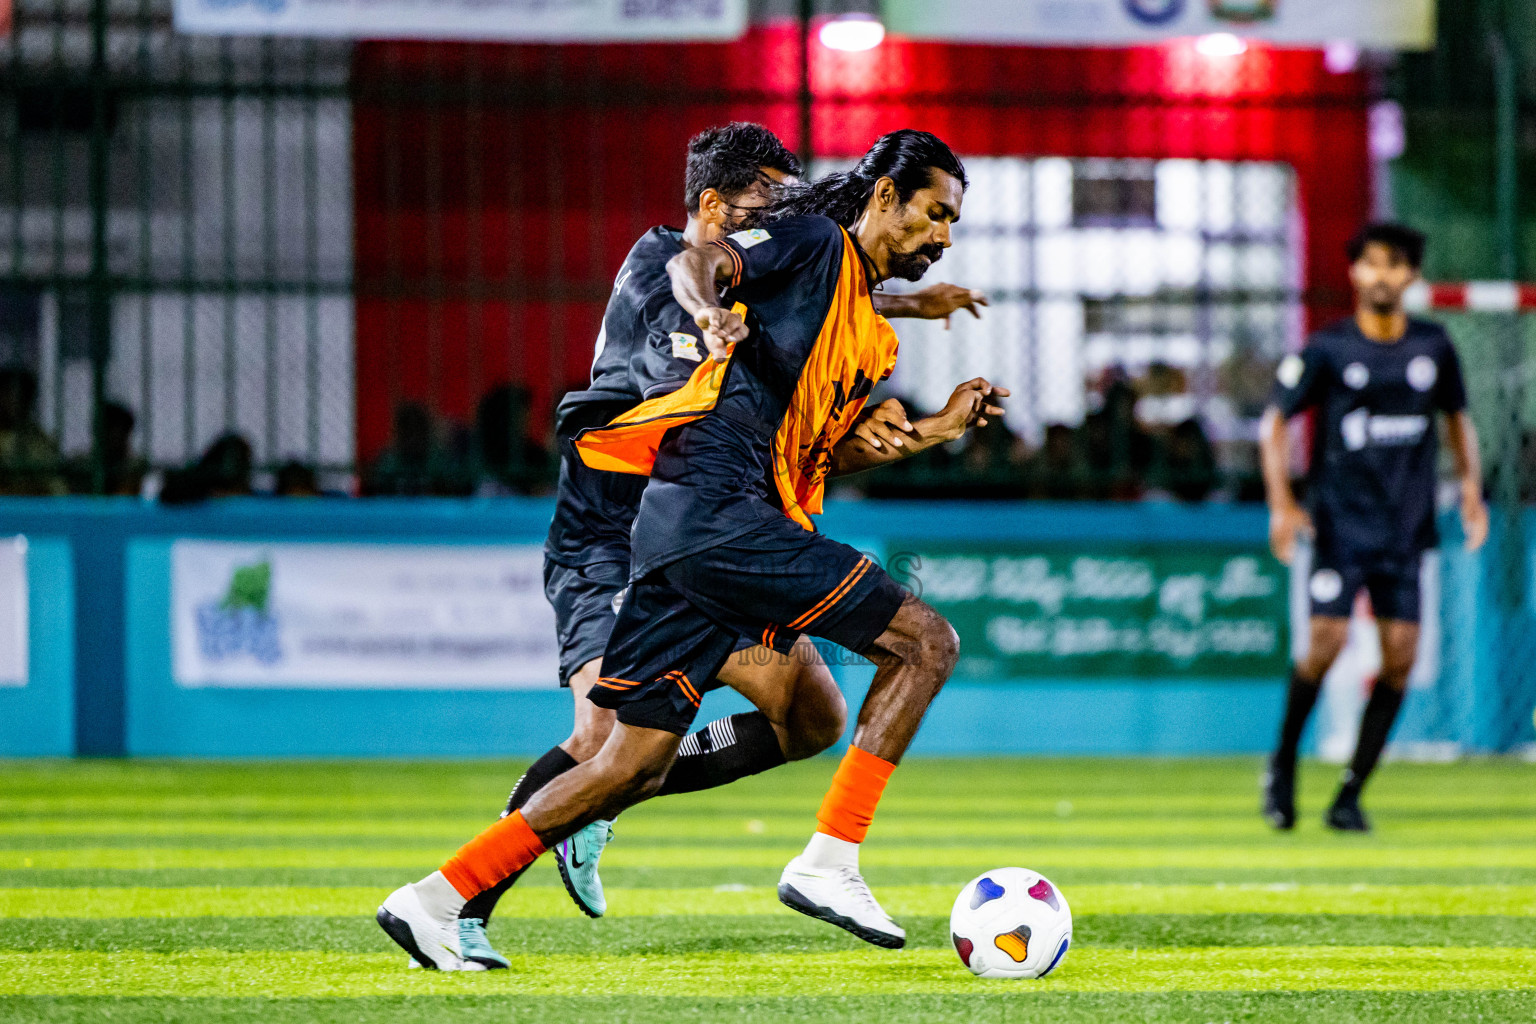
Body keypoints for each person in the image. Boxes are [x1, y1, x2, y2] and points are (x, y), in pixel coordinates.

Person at [377, 129, 1003, 968]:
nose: (944, 238)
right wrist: (710, 312)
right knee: (926, 642)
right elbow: (696, 265)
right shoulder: (810, 242)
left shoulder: (858, 324)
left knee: (627, 764)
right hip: (713, 516)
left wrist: (931, 431)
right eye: (936, 214)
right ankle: (831, 859)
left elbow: (820, 451)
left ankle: (435, 899)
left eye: (952, 224)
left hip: (684, 532)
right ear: (883, 198)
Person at [1260, 223, 1487, 833]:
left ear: (1412, 275)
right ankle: (1281, 766)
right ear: (1355, 274)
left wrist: (1470, 485)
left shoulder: (1434, 346)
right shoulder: (1329, 349)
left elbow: (1458, 418)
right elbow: (1274, 423)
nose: (1382, 275)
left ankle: (1350, 792)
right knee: (1326, 644)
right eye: (1370, 264)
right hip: (1341, 526)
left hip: (1407, 530)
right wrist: (1283, 504)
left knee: (1399, 661)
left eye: (1394, 265)